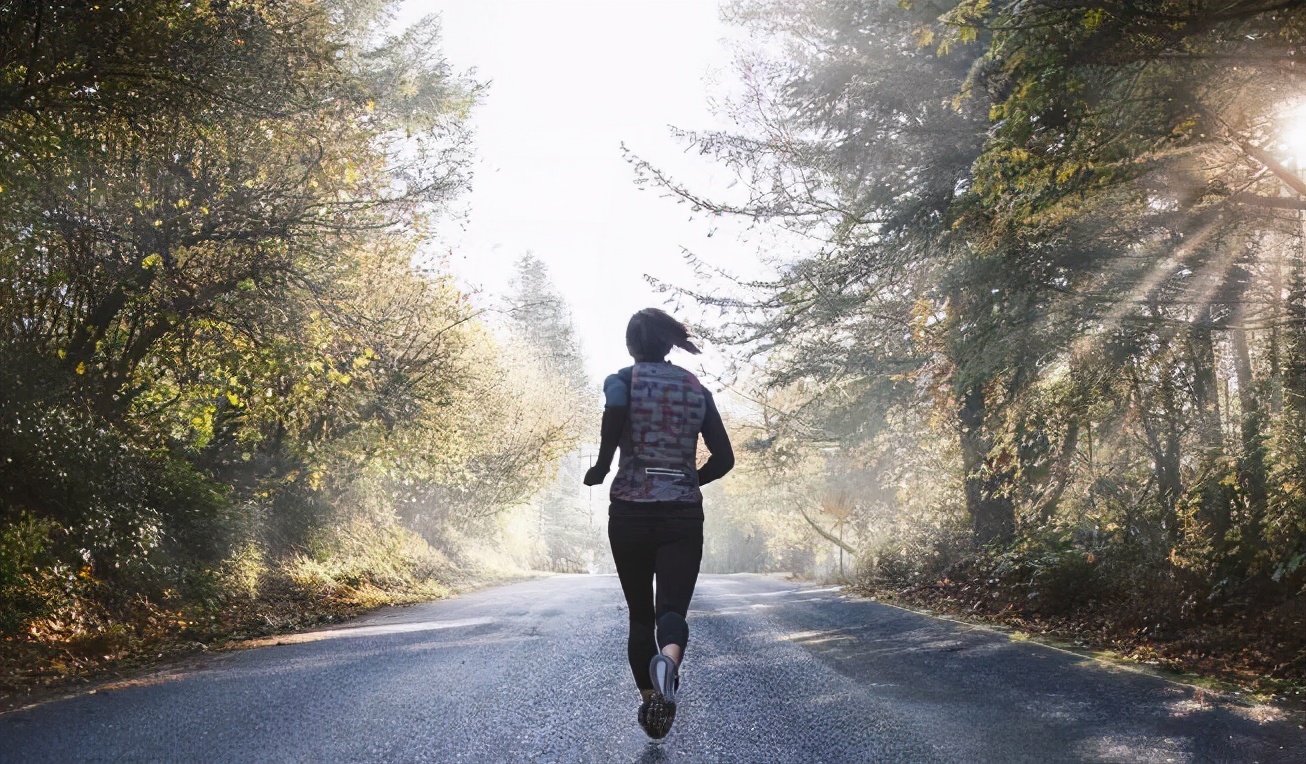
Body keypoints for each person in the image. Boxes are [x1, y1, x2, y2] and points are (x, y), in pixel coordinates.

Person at [583, 308, 734, 740]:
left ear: (631, 345)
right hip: (681, 514)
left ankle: (652, 701)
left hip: (629, 513)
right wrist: (691, 479)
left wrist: (602, 465)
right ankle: (669, 657)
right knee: (672, 612)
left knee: (639, 617)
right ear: (668, 344)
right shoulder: (694, 387)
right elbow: (724, 459)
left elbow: (615, 407)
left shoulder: (620, 380)